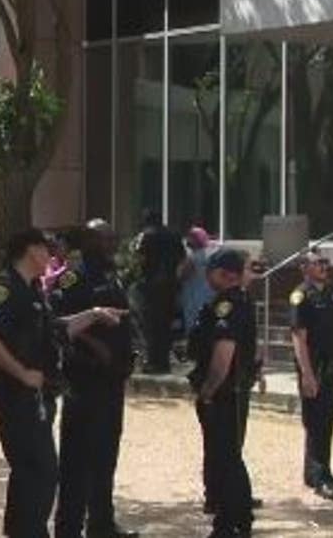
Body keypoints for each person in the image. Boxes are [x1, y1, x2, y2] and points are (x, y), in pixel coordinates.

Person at [0, 228, 126, 538]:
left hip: (37, 395)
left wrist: (94, 315)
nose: (53, 255)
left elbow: (56, 329)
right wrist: (21, 373)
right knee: (40, 471)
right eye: (47, 249)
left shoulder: (31, 289)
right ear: (31, 250)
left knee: (31, 472)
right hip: (17, 394)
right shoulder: (3, 288)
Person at [49, 220, 138, 538]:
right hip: (84, 380)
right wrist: (93, 343)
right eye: (105, 238)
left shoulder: (111, 274)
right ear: (89, 241)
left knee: (105, 456)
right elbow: (55, 320)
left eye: (114, 236)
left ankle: (101, 523)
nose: (112, 243)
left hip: (112, 381)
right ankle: (68, 527)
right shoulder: (74, 277)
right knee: (77, 459)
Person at [188, 249, 256, 537]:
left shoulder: (227, 305)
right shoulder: (239, 301)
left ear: (224, 273)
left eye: (211, 271)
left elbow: (223, 353)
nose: (207, 276)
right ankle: (241, 516)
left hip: (224, 393)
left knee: (223, 457)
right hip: (234, 390)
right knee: (229, 455)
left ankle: (228, 524)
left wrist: (208, 389)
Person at [289, 249, 333, 500]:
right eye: (319, 263)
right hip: (313, 366)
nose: (325, 267)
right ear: (305, 267)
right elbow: (298, 337)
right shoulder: (301, 296)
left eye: (326, 262)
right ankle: (319, 477)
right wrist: (306, 374)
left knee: (327, 420)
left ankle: (319, 470)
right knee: (316, 422)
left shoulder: (332, 293)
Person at [133, 209, 187, 373]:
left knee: (150, 325)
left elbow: (139, 257)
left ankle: (152, 361)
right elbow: (182, 259)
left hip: (151, 286)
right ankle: (164, 362)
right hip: (170, 286)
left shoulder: (145, 235)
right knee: (166, 324)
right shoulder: (174, 235)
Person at [179, 226, 216, 335]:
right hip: (210, 295)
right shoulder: (212, 255)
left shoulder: (192, 258)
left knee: (194, 327)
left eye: (190, 238)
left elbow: (182, 275)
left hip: (194, 298)